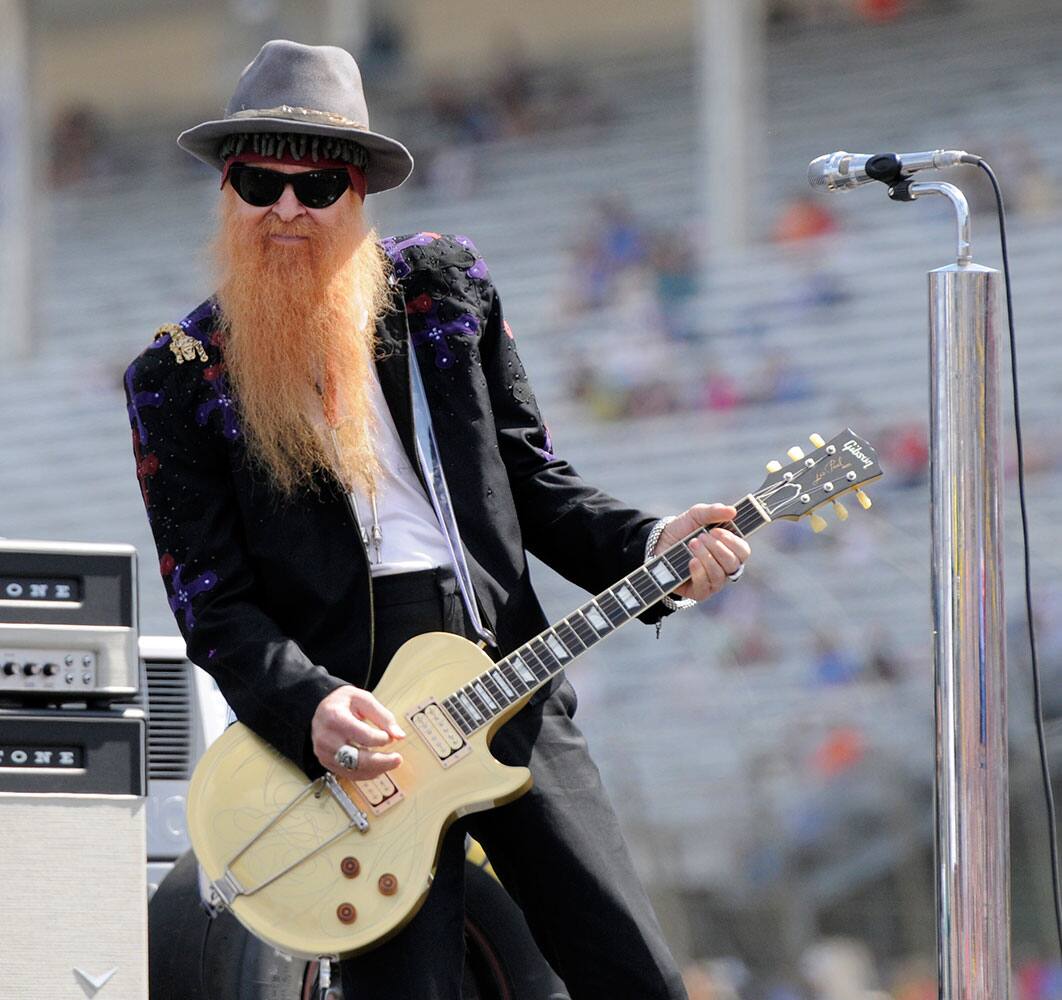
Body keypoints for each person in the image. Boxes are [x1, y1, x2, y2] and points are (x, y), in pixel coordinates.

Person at [124, 40, 751, 1000]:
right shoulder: (177, 377)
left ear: (360, 193)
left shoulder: (441, 290)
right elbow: (211, 602)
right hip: (354, 732)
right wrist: (310, 707)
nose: (287, 207)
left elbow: (534, 480)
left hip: (505, 675)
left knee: (637, 973)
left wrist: (649, 545)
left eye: (318, 184)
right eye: (260, 181)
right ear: (226, 189)